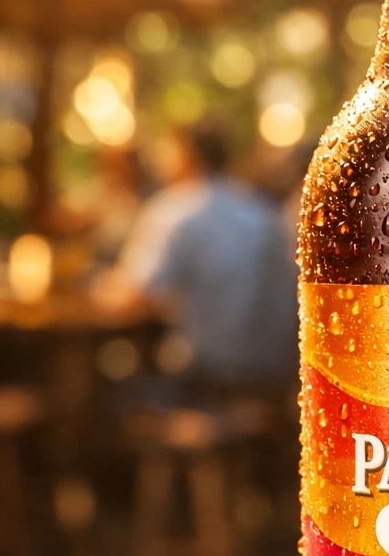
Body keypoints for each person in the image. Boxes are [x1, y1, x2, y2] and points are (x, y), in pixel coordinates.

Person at [113, 121, 297, 393]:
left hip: (201, 375)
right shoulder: (263, 209)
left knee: (115, 378)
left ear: (185, 155)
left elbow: (131, 295)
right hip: (275, 375)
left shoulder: (176, 210)